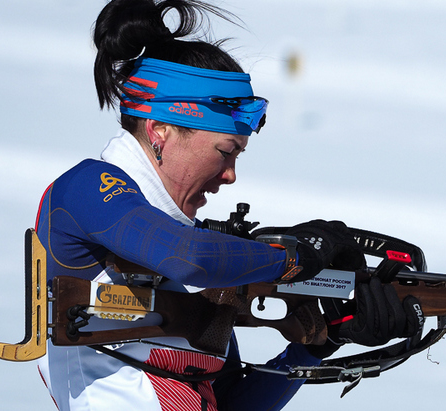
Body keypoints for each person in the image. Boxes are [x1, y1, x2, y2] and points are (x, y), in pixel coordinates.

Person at [35, 1, 421, 410]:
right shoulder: (87, 188)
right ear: (160, 130)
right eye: (225, 151)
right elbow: (188, 256)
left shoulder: (191, 250)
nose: (230, 175)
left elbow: (228, 402)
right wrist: (292, 256)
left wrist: (318, 345)